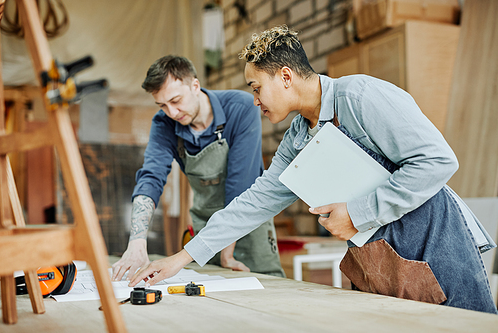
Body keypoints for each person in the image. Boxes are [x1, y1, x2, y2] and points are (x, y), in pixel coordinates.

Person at [129, 26, 497, 314]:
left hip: (434, 240)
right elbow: (255, 201)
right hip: (382, 256)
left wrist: (356, 213)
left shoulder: (360, 98)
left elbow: (439, 161)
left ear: (286, 77)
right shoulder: (298, 137)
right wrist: (182, 258)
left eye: (257, 87)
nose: (253, 99)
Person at [112, 55, 285, 281]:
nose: (171, 112)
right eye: (162, 105)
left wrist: (227, 253)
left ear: (195, 86)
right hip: (205, 227)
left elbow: (240, 185)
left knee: (267, 290)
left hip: (249, 223)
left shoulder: (241, 108)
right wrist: (136, 243)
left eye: (175, 100)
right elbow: (151, 178)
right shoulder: (164, 124)